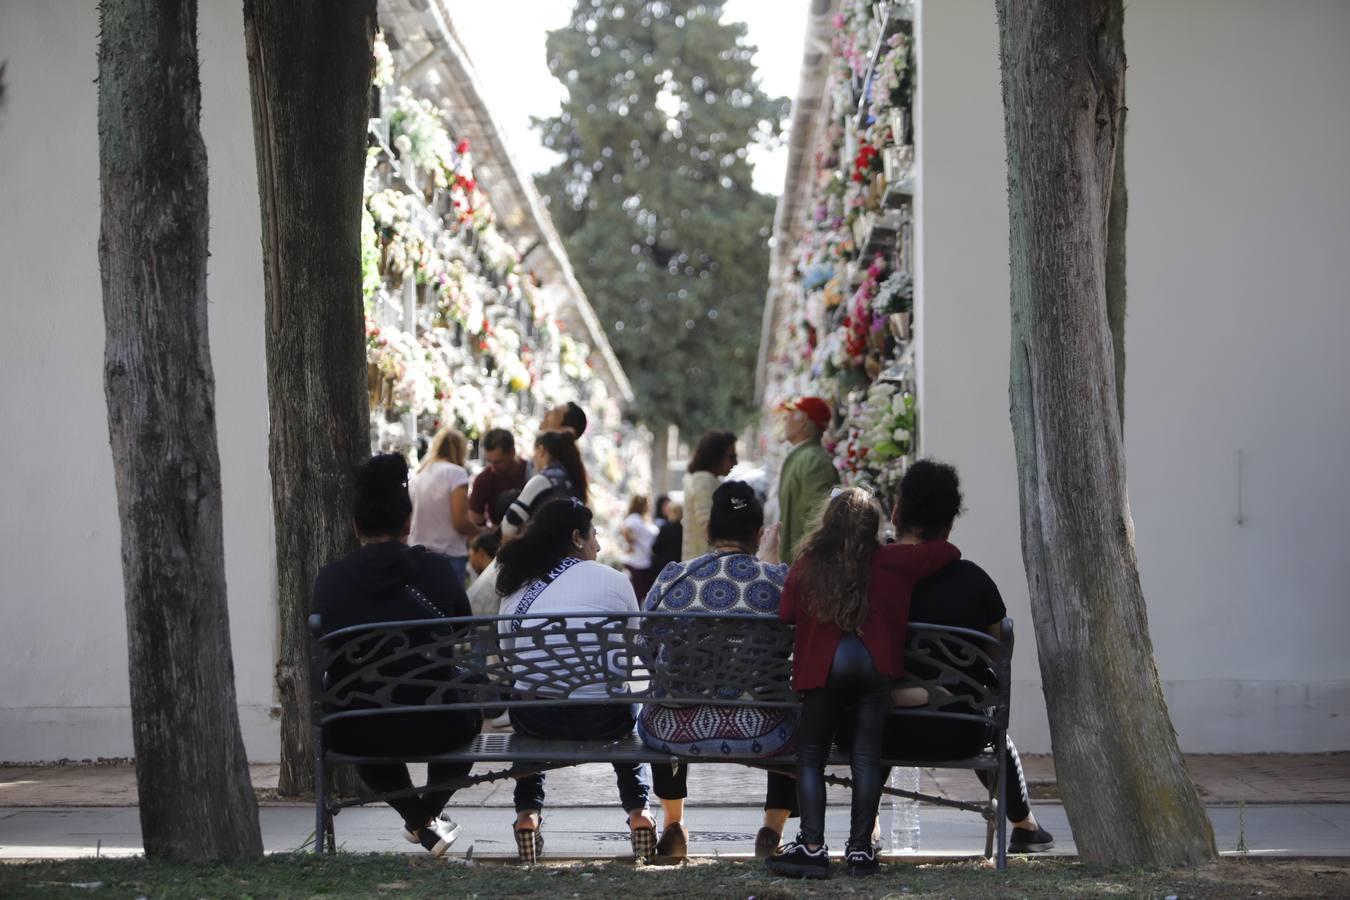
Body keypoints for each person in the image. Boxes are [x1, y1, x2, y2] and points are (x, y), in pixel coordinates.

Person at [768, 488, 959, 879]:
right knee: (868, 756)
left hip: (825, 666)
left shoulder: (809, 563)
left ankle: (812, 846)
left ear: (828, 523)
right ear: (874, 525)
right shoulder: (895, 562)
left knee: (811, 753)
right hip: (875, 664)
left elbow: (786, 613)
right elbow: (947, 552)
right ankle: (859, 851)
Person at [312, 454, 482, 857]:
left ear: (356, 526)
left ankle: (419, 819)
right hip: (439, 722)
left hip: (357, 725)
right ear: (408, 523)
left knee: (362, 720)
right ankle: (427, 818)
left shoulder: (330, 579)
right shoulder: (438, 571)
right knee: (471, 705)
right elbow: (462, 630)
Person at [887, 460, 1054, 854]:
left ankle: (870, 828)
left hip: (883, 731)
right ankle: (1024, 823)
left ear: (896, 514)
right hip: (959, 732)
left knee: (874, 697)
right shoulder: (974, 582)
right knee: (991, 723)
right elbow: (1001, 657)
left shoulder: (874, 580)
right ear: (949, 526)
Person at [639, 481, 798, 860]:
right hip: (763, 726)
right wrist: (773, 564)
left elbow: (647, 650)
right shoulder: (779, 581)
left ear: (708, 531)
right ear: (759, 534)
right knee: (796, 704)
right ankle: (771, 829)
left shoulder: (673, 577)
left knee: (664, 694)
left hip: (673, 730)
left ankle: (674, 824)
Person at [495, 498, 655, 862]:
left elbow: (510, 658)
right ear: (576, 538)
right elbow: (635, 646)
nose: (598, 545)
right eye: (594, 535)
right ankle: (639, 813)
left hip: (536, 719)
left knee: (529, 709)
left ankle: (527, 816)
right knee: (623, 707)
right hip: (602, 719)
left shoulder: (515, 586)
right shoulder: (614, 580)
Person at [776, 397, 839, 565]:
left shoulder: (814, 461)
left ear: (803, 420)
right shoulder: (806, 457)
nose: (785, 419)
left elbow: (819, 521)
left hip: (803, 571)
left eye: (789, 414)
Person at [409, 427, 478, 581]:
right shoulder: (456, 473)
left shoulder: (419, 475)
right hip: (449, 555)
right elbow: (460, 522)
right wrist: (480, 532)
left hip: (417, 554)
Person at [681, 430, 738, 561]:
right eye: (731, 457)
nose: (735, 463)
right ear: (716, 456)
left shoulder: (704, 479)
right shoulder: (703, 480)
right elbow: (709, 526)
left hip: (699, 565)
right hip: (704, 566)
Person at [468, 428, 528, 528]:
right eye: (489, 461)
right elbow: (475, 521)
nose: (493, 467)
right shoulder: (483, 480)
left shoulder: (530, 472)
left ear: (512, 452)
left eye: (498, 462)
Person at [531, 429, 588, 503]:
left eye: (534, 453)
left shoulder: (542, 480)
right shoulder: (573, 480)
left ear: (541, 450)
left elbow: (514, 514)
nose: (533, 458)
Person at [620, 495, 660, 599]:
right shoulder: (634, 518)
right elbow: (625, 529)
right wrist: (631, 543)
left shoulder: (640, 519)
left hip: (642, 561)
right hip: (637, 563)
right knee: (638, 594)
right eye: (647, 504)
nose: (649, 506)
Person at [650, 498, 683, 575]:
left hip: (665, 567)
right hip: (679, 565)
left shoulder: (665, 528)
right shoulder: (683, 529)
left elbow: (655, 548)